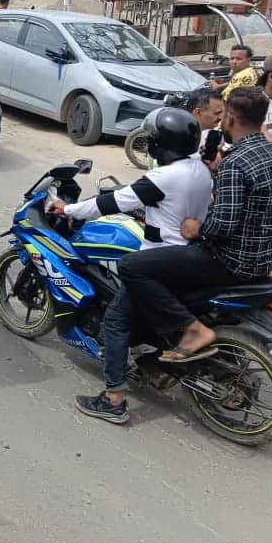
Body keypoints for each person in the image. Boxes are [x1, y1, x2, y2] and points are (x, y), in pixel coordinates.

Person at [53, 108, 213, 424]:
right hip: (191, 254)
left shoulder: (165, 176)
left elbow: (109, 203)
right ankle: (151, 361)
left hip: (161, 259)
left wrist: (68, 208)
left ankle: (114, 399)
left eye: (152, 139)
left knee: (115, 320)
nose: (149, 144)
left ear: (161, 143)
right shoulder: (199, 170)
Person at [119, 87, 272, 363]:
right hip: (265, 260)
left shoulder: (235, 164)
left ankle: (193, 329)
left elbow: (221, 228)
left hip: (229, 262)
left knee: (132, 266)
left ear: (231, 120)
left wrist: (196, 228)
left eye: (222, 116)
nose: (220, 122)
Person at [188, 86, 225, 169]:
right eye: (216, 113)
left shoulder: (215, 135)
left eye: (222, 112)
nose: (221, 117)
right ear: (198, 112)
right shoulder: (177, 136)